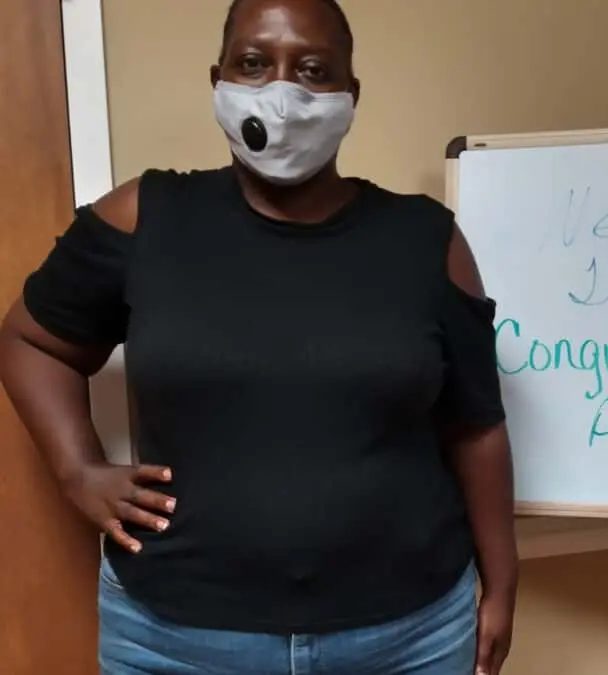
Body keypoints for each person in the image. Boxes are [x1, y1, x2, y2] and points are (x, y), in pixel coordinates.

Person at [0, 0, 518, 672]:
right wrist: (78, 470)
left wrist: (502, 582)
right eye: (253, 63)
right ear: (217, 78)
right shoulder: (144, 217)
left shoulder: (427, 239)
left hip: (405, 638)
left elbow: (476, 424)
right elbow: (31, 339)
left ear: (350, 94)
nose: (282, 92)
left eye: (312, 69)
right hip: (172, 640)